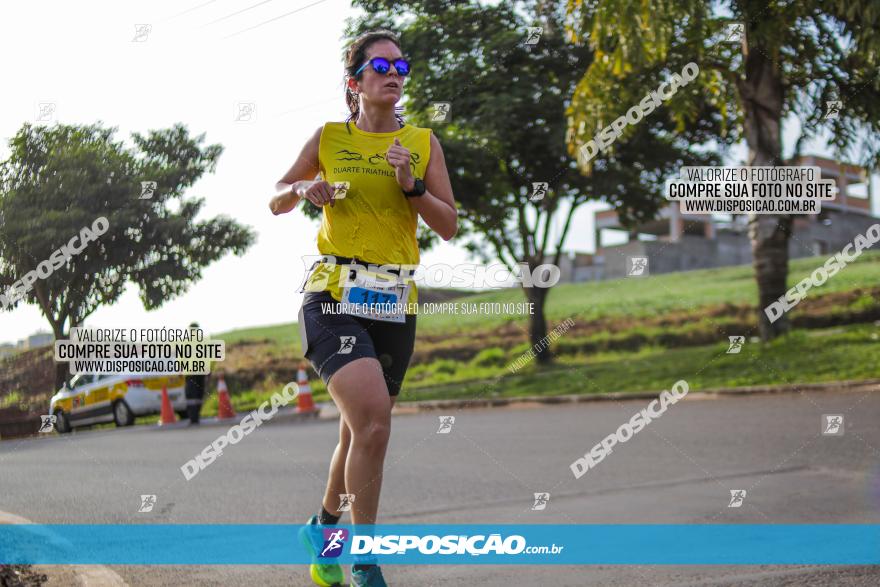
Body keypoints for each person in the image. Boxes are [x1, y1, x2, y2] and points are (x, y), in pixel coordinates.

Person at [269, 29, 457, 587]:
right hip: (332, 293)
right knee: (373, 423)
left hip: (395, 300)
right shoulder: (328, 138)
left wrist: (411, 185)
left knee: (361, 430)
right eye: (381, 65)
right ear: (356, 83)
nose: (394, 73)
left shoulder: (422, 143)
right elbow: (276, 195)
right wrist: (305, 190)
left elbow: (447, 224)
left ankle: (323, 526)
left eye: (402, 64)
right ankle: (364, 561)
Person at [183, 321, 206, 425]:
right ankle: (195, 417)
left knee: (192, 396)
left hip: (191, 373)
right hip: (199, 373)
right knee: (197, 396)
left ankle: (194, 418)